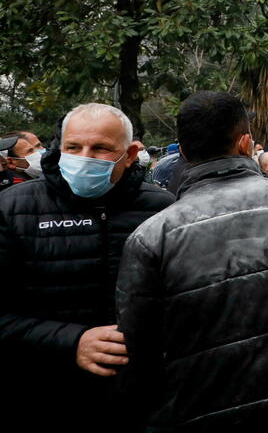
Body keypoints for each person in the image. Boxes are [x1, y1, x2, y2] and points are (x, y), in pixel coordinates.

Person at [116, 92, 268, 432]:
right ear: (245, 143)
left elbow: (139, 352)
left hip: (194, 411)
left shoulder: (151, 236)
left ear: (182, 151)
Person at [0, 103, 174, 432]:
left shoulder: (163, 208)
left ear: (131, 153)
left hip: (142, 402)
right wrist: (71, 341)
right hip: (41, 399)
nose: (84, 157)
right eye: (73, 147)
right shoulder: (12, 208)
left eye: (101, 148)